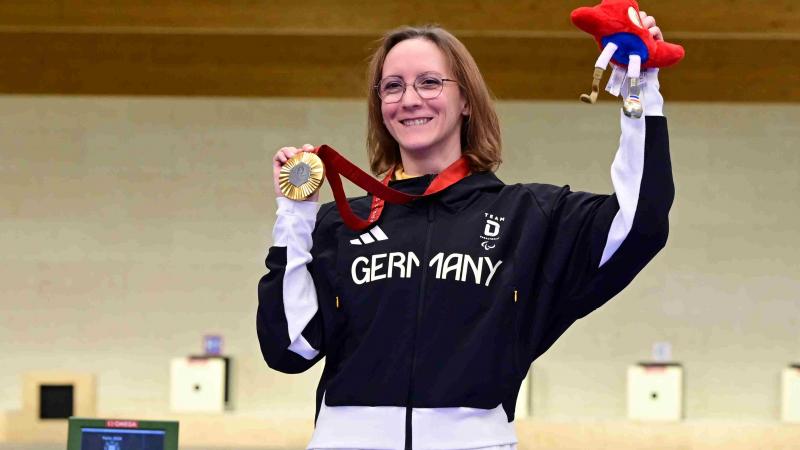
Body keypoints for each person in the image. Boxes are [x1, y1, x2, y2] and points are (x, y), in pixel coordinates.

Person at [258, 14, 673, 450]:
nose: (410, 99)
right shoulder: (342, 221)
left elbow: (640, 222)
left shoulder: (528, 216)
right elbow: (291, 348)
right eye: (393, 86)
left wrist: (638, 86)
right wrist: (296, 217)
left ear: (467, 101)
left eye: (430, 82)